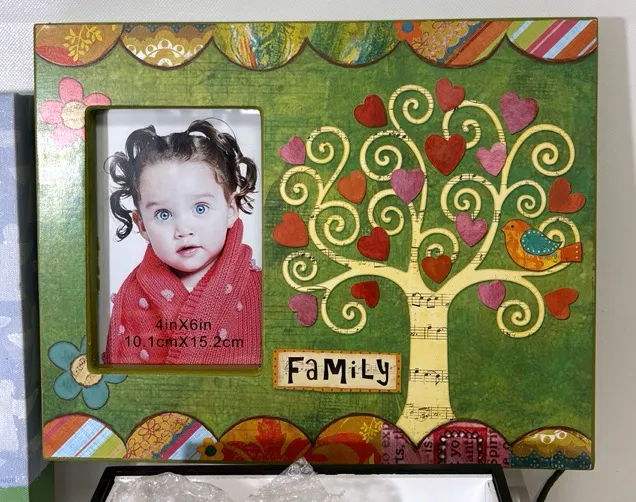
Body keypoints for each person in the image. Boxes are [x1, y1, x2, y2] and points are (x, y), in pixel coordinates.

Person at [102, 119, 261, 366]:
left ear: (231, 210)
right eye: (163, 214)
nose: (184, 230)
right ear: (142, 225)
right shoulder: (131, 296)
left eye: (200, 208)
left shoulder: (261, 289)